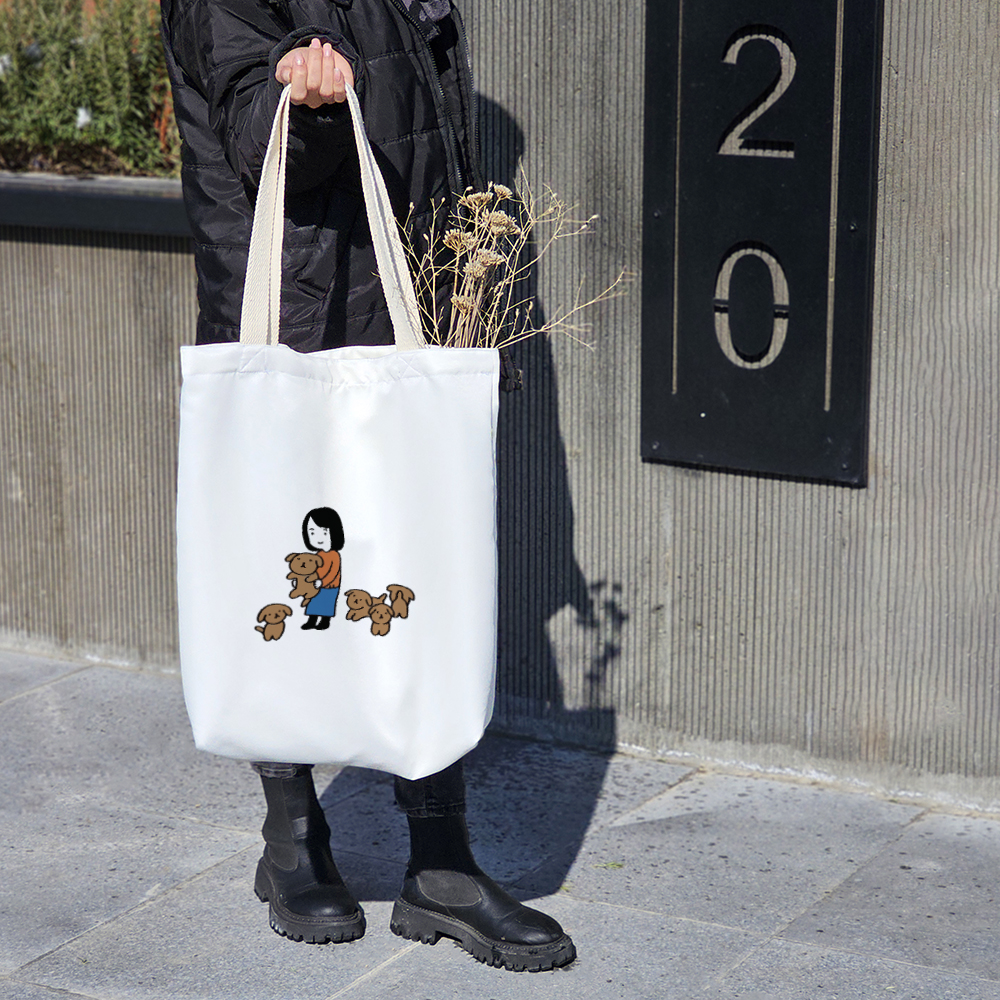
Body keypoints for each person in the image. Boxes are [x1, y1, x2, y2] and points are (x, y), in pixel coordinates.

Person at [159, 0, 575, 973]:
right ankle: (293, 836)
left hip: (400, 300)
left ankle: (442, 860)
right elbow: (254, 133)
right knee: (291, 575)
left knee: (417, 568)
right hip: (297, 303)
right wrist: (301, 105)